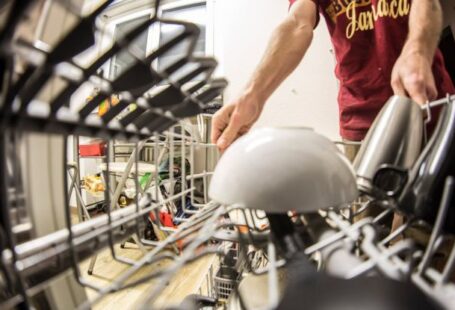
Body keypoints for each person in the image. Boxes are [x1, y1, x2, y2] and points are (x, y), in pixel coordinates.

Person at [211, 0, 455, 154]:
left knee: (426, 228)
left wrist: (417, 50)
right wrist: (252, 95)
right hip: (360, 119)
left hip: (427, 104)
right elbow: (297, 23)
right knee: (366, 228)